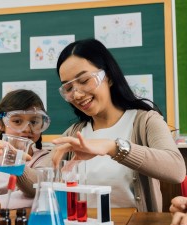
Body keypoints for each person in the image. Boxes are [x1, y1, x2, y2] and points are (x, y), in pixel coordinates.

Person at [50, 38, 186, 212]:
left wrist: (113, 147)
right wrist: (14, 160)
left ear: (109, 77)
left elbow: (176, 171)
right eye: (68, 88)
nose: (76, 95)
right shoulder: (75, 132)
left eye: (84, 80)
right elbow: (39, 181)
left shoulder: (145, 121)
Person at [0, 89, 51, 214]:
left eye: (34, 122)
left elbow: (41, 193)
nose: (26, 129)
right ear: (1, 124)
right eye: (17, 121)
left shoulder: (44, 158)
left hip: (28, 220)